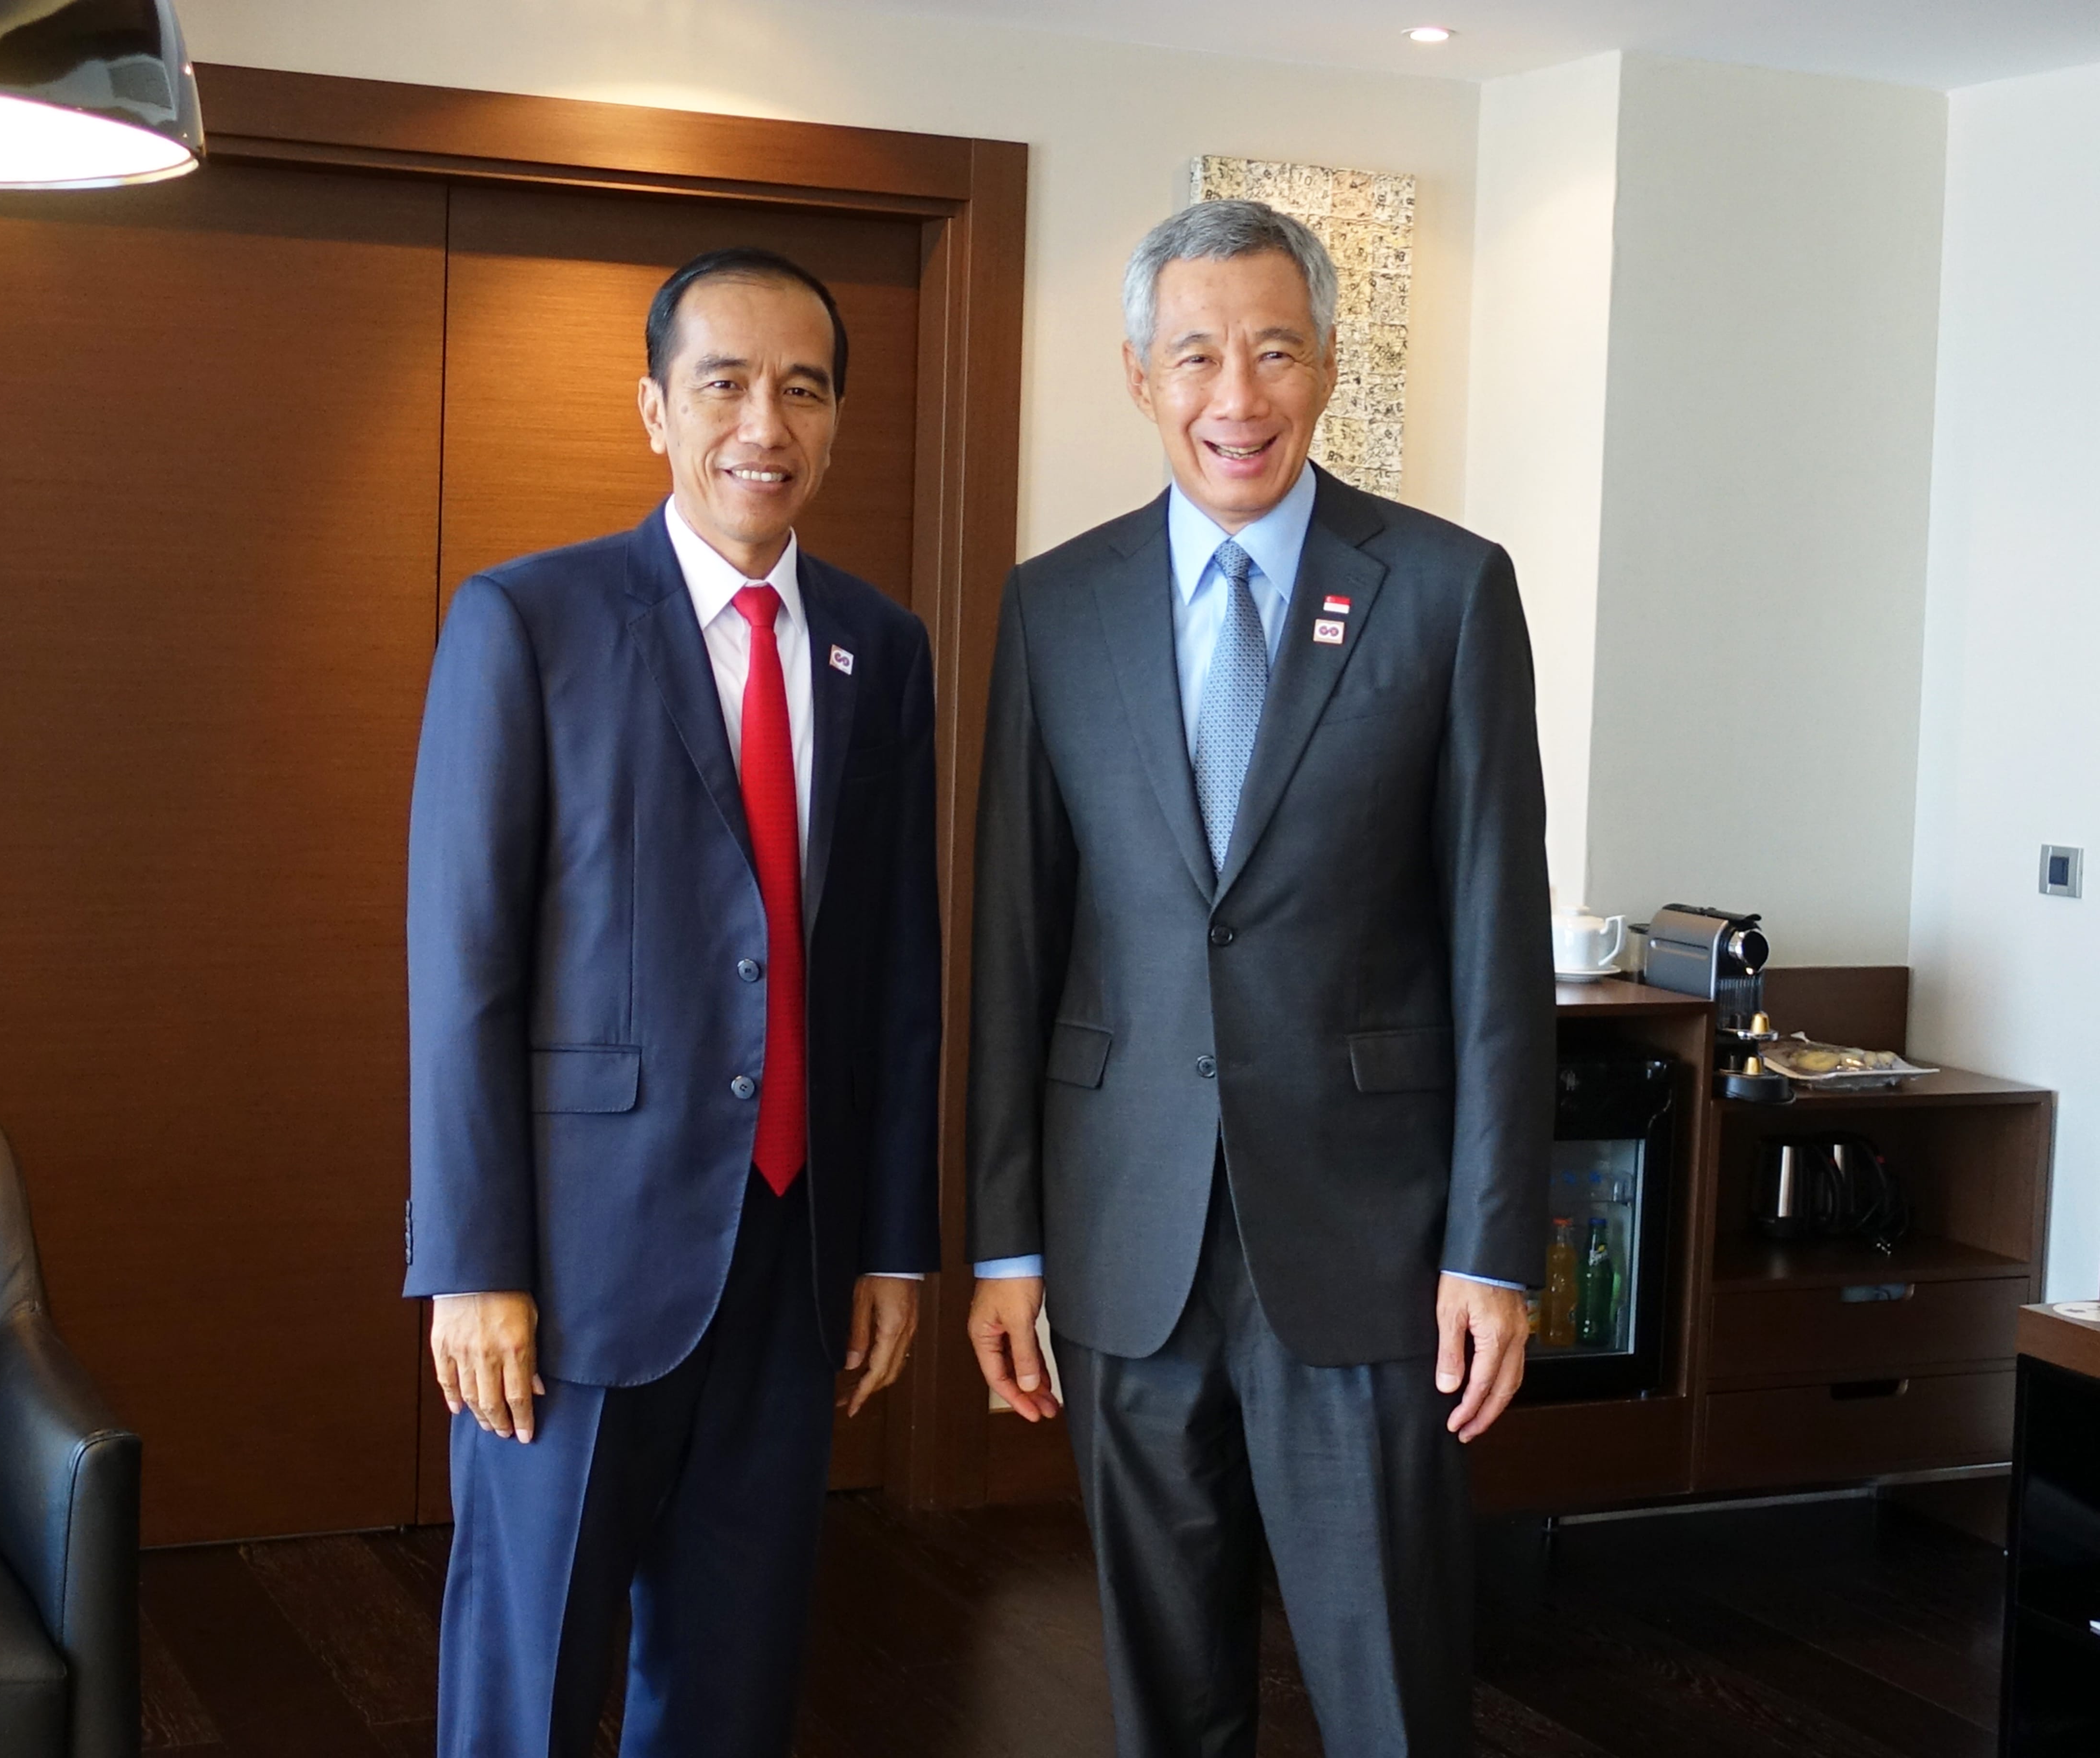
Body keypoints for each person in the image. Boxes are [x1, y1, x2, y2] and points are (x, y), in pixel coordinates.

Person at [965, 199, 1553, 1757]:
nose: (1239, 396)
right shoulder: (1056, 604)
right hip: (1125, 1231)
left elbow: (1497, 943)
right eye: (1198, 356)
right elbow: (1019, 938)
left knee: (1391, 1690)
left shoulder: (1446, 590)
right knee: (1167, 1693)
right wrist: (1006, 1243)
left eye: (1276, 351)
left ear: (1331, 363)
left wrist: (1494, 1249)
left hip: (1372, 1242)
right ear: (1139, 375)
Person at [405, 246, 943, 1758]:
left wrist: (893, 1242)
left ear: (835, 422)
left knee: (732, 1679)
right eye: (725, 384)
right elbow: (462, 968)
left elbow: (898, 975)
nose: (766, 424)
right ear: (655, 409)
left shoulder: (882, 647)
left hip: (793, 1257)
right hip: (573, 1268)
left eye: (803, 390)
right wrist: (471, 1262)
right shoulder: (530, 620)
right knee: (528, 1678)